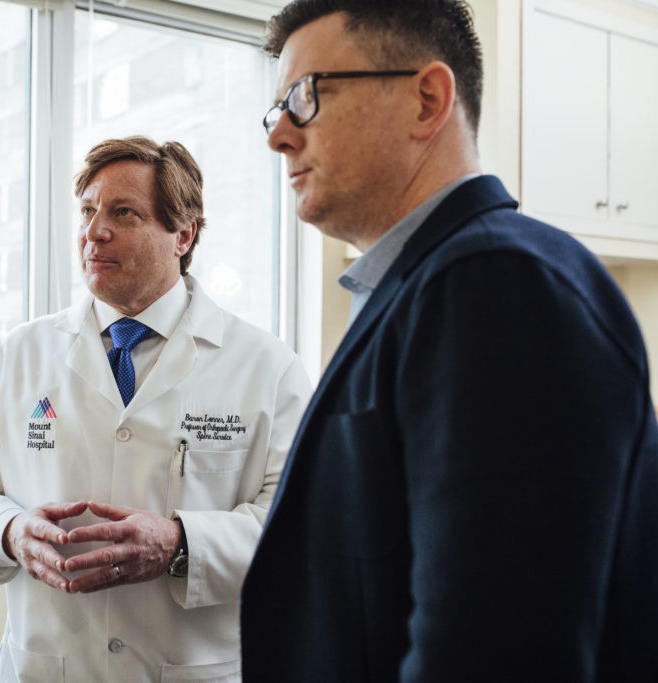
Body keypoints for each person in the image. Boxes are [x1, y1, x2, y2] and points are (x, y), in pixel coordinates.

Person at [241, 1, 658, 681]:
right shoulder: (417, 288)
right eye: (275, 109)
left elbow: (495, 651)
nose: (279, 135)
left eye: (305, 96)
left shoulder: (498, 284)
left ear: (427, 99)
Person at [0, 135, 312, 682]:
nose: (94, 231)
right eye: (88, 211)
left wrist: (182, 543)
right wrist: (9, 532)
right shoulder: (22, 353)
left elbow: (304, 525)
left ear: (184, 234)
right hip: (50, 667)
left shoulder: (265, 367)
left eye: (123, 212)